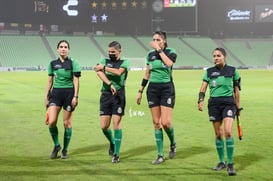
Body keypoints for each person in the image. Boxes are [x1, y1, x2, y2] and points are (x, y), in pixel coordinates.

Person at [197, 47, 241, 176]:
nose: (216, 58)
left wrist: (238, 107)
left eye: (218, 55)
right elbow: (203, 88)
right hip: (214, 105)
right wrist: (200, 100)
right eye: (214, 56)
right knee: (217, 134)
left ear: (224, 57)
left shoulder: (233, 71)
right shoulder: (209, 72)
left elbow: (237, 91)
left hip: (228, 104)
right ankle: (222, 162)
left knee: (227, 132)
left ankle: (231, 164)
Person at [136, 31, 177, 165]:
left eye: (158, 39)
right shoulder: (149, 55)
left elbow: (169, 63)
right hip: (153, 90)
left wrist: (159, 50)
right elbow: (147, 74)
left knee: (166, 122)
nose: (155, 41)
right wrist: (140, 91)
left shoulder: (171, 51)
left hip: (166, 89)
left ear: (164, 41)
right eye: (153, 39)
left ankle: (172, 143)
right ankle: (160, 155)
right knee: (156, 123)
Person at [44, 40, 81, 159]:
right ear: (57, 49)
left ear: (68, 50)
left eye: (65, 47)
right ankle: (56, 145)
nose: (63, 49)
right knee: (52, 122)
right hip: (55, 93)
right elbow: (50, 81)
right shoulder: (52, 64)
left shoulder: (73, 63)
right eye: (61, 47)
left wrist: (75, 96)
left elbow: (76, 80)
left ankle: (65, 150)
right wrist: (46, 96)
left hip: (69, 94)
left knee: (67, 123)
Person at [94, 41, 129, 163]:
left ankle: (116, 154)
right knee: (104, 126)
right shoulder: (104, 60)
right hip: (106, 94)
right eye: (109, 52)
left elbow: (119, 72)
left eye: (113, 52)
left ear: (119, 51)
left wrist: (103, 68)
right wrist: (109, 84)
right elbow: (98, 72)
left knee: (116, 124)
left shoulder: (124, 62)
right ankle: (112, 142)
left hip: (119, 95)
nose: (110, 54)